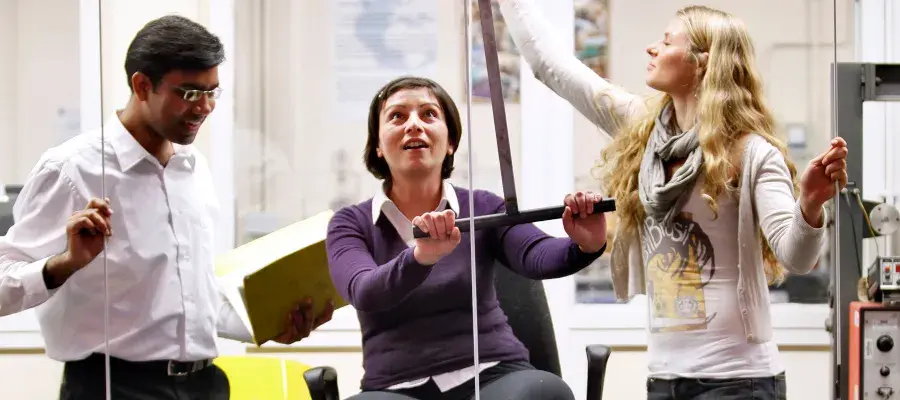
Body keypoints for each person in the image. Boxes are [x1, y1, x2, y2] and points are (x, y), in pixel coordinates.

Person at [497, 1, 848, 399]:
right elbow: (551, 66)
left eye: (666, 42)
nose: (652, 49)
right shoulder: (643, 132)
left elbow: (797, 258)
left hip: (740, 381)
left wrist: (811, 205)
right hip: (665, 379)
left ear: (702, 63)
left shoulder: (752, 153)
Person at [0, 15, 332, 399]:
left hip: (205, 384)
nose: (205, 107)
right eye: (190, 93)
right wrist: (63, 264)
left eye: (213, 92)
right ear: (142, 85)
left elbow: (196, 301)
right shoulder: (73, 169)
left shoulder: (193, 169)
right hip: (115, 387)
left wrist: (271, 322)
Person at [325, 76, 607, 400]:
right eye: (397, 116)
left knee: (545, 393)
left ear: (450, 142)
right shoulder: (349, 224)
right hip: (394, 387)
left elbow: (535, 253)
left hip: (492, 375)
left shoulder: (483, 206)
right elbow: (364, 291)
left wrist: (585, 244)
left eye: (429, 114)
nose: (413, 125)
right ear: (377, 144)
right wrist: (421, 258)